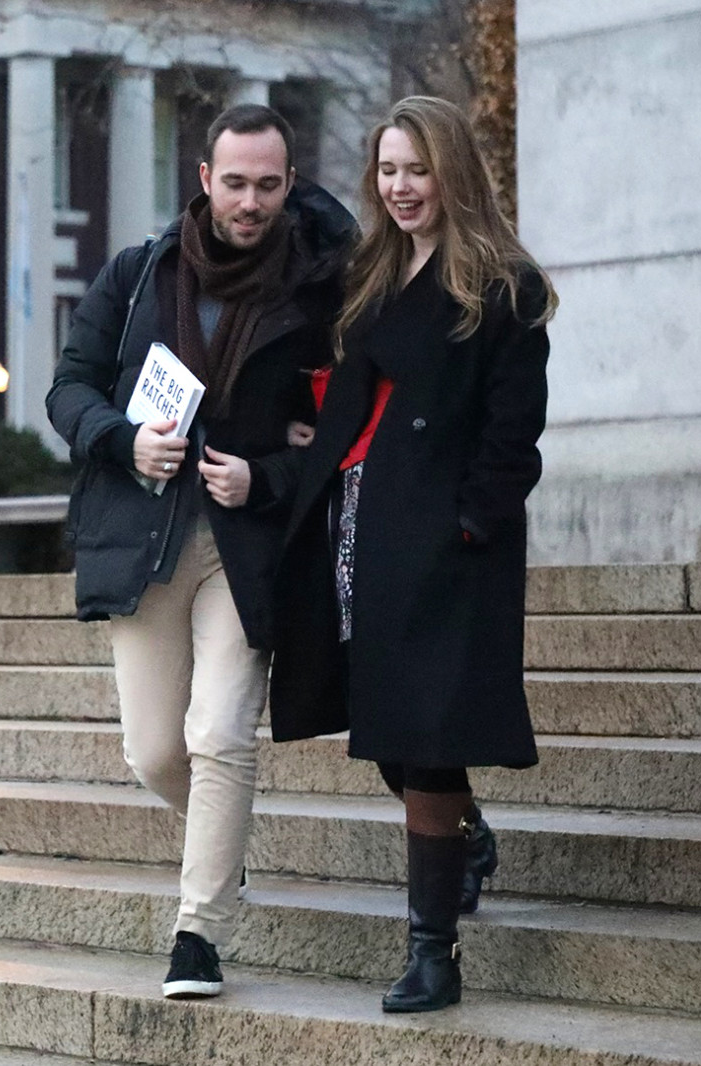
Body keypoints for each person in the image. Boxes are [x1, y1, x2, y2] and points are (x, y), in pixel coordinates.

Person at [48, 104, 353, 999]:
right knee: (153, 753)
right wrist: (122, 437)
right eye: (235, 183)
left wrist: (269, 477)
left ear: (290, 184)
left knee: (219, 733)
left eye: (268, 184)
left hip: (245, 546)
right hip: (144, 537)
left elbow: (342, 425)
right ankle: (219, 855)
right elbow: (68, 388)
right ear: (203, 177)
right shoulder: (140, 273)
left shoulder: (319, 286)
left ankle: (199, 932)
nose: (250, 202)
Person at [265, 95, 557, 1013]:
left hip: (445, 544)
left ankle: (434, 954)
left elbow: (515, 437)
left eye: (417, 168)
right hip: (355, 526)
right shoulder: (370, 277)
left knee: (425, 741)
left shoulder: (502, 287)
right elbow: (300, 233)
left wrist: (468, 524)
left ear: (454, 173)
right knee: (386, 724)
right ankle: (465, 835)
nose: (399, 188)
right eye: (387, 170)